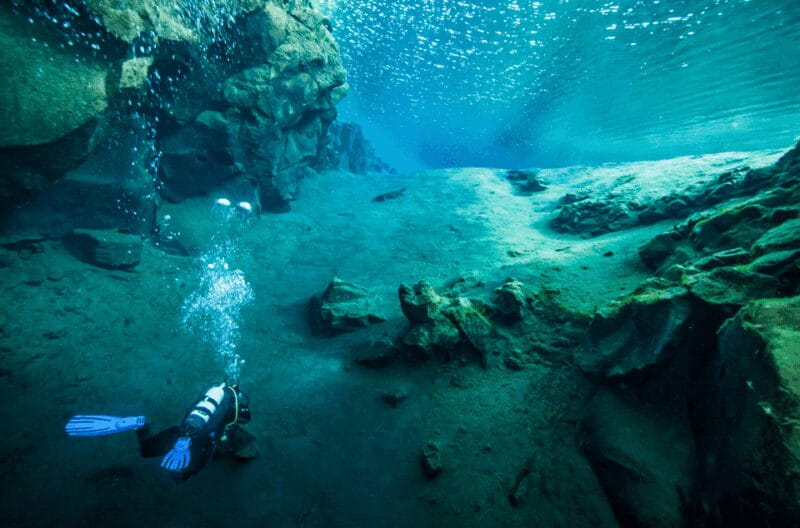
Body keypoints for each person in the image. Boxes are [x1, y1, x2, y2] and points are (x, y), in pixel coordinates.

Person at [65, 382, 252, 481]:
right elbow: (243, 419)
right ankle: (181, 472)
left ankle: (143, 426)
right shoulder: (234, 406)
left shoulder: (212, 391)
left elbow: (191, 408)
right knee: (194, 468)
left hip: (180, 430)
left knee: (146, 450)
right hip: (202, 441)